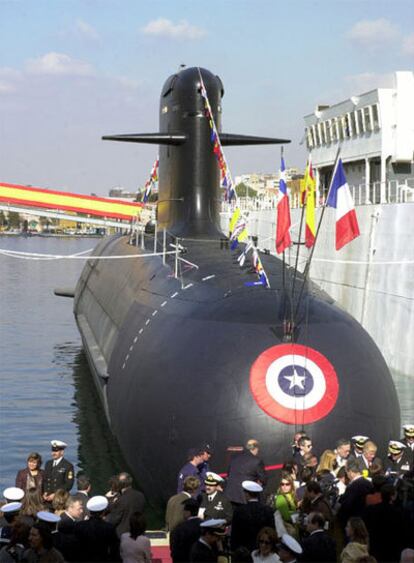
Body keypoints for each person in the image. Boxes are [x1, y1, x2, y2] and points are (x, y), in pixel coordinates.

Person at [231, 481, 275, 552]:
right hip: (262, 549)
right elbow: (272, 532)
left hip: (244, 551)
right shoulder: (268, 510)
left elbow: (235, 535)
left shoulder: (239, 511)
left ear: (246, 494)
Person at [75, 495, 120, 561]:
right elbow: (114, 550)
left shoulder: (80, 526)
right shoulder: (109, 527)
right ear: (103, 511)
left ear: (90, 511)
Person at [225, 440, 266, 505]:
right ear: (255, 448)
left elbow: (228, 475)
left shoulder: (234, 458)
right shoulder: (257, 461)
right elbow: (263, 480)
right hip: (245, 498)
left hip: (230, 496)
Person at [106, 472, 146, 538]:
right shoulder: (140, 495)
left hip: (122, 536)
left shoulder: (122, 499)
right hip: (138, 533)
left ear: (121, 484)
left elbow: (114, 519)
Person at [337, 460, 373, 527]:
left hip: (354, 523)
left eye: (347, 472)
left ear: (350, 472)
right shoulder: (369, 484)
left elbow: (346, 507)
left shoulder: (352, 487)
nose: (347, 475)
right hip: (367, 521)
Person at [170, 499, 202, 563]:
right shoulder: (205, 526)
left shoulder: (179, 529)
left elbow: (175, 552)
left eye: (184, 511)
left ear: (188, 512)